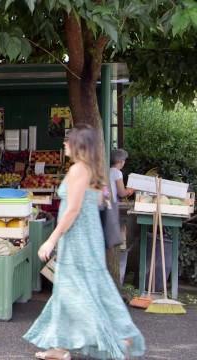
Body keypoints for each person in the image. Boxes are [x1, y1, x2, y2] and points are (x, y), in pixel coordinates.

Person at [23, 125, 145, 360]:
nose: (64, 144)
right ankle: (62, 347)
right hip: (87, 238)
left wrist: (51, 239)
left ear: (79, 144)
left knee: (75, 291)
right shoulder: (93, 170)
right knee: (84, 289)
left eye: (68, 140)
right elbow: (97, 203)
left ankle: (118, 337)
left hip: (78, 239)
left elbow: (73, 210)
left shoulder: (79, 169)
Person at [110, 149, 135, 285]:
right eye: (124, 160)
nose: (124, 162)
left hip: (107, 206)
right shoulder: (117, 172)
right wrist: (131, 190)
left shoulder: (107, 171)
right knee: (119, 243)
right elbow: (122, 192)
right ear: (120, 161)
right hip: (112, 209)